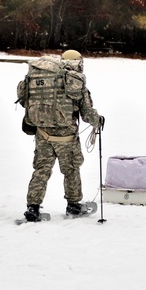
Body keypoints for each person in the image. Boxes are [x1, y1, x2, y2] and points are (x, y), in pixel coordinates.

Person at [16, 50, 103, 222]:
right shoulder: (76, 81)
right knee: (71, 170)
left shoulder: (39, 76)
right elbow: (86, 112)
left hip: (42, 134)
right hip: (67, 137)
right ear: (79, 63)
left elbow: (24, 99)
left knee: (41, 170)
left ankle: (32, 208)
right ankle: (73, 205)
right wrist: (97, 120)